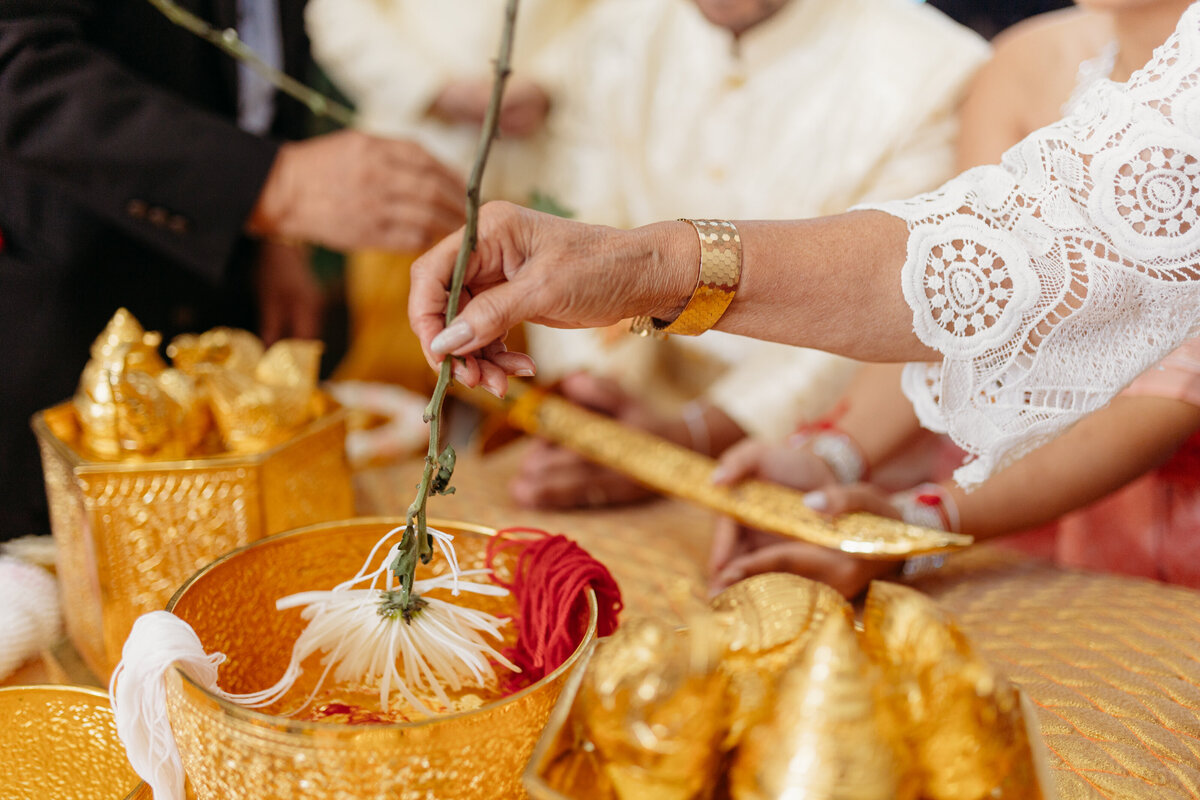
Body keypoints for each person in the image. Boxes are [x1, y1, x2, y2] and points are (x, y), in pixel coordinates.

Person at [407, 1, 1200, 506]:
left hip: (995, 481)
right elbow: (963, 287)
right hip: (813, 463)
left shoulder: (927, 62)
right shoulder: (612, 36)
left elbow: (964, 285)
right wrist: (605, 404)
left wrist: (912, 513)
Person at [707, 0, 1200, 595]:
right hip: (1009, 506)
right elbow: (955, 301)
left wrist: (922, 523)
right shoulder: (1025, 64)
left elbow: (1175, 389)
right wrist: (830, 460)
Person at [0, 0, 465, 538]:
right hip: (59, 329)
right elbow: (15, 57)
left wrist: (274, 238)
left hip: (222, 304)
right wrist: (270, 185)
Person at [505, 0, 988, 510]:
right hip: (623, 426)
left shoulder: (935, 69)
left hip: (828, 469)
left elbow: (886, 291)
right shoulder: (616, 32)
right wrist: (596, 401)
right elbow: (583, 221)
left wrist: (688, 438)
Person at [302, 0, 587, 392]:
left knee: (524, 398)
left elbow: (616, 16)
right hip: (409, 181)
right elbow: (338, 12)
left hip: (542, 183)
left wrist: (551, 81)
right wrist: (433, 90)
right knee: (397, 384)